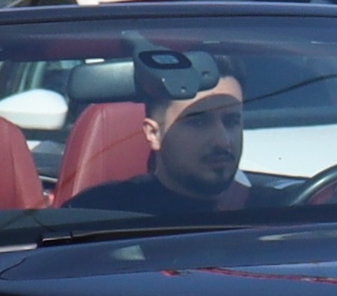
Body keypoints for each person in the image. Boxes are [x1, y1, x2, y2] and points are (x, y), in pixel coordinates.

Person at [66, 50, 248, 217]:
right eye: (198, 122)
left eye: (231, 122)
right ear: (153, 133)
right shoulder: (98, 214)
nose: (223, 141)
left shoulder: (271, 212)